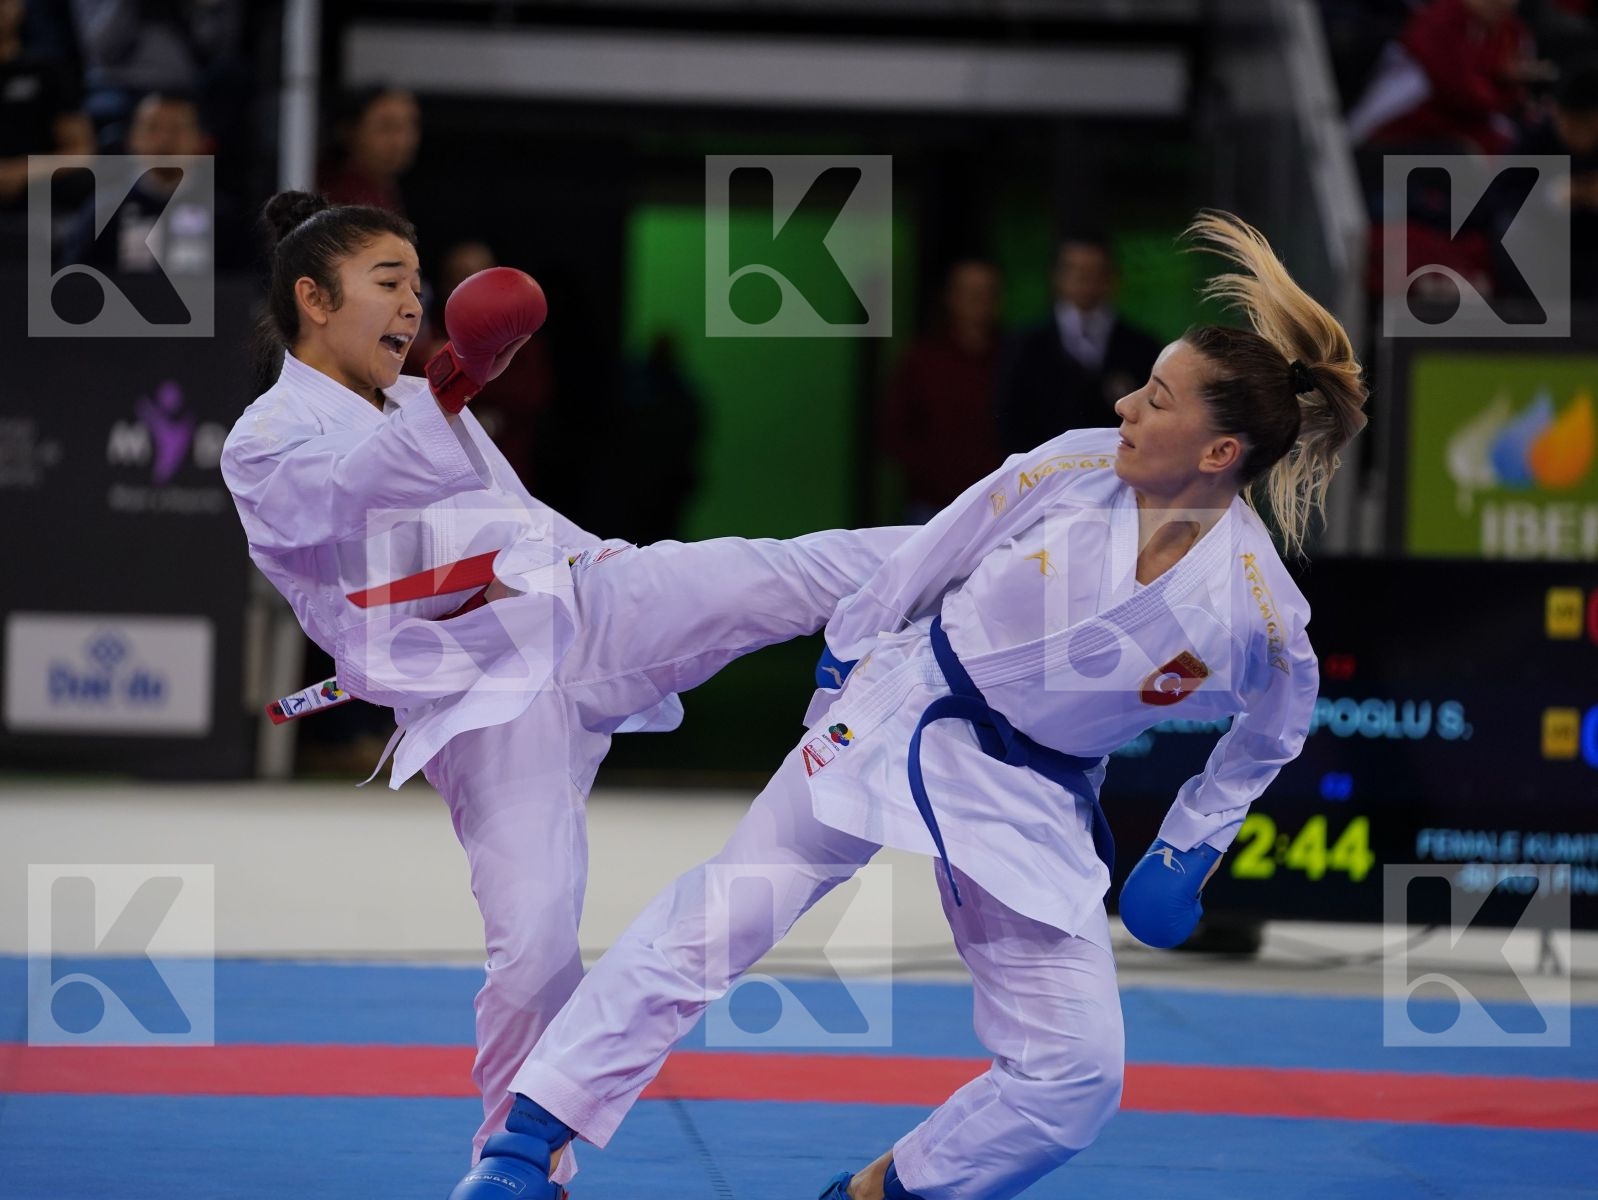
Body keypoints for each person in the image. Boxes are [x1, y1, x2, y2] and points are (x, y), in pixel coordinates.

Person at [450, 211, 1368, 1200]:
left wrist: (1190, 843)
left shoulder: (1256, 610)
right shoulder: (1072, 466)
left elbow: (1273, 728)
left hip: (1034, 798)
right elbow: (934, 550)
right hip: (908, 702)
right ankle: (519, 1150)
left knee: (1076, 1078)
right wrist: (846, 655)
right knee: (722, 913)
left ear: (1219, 450)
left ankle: (882, 1194)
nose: (1123, 405)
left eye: (1153, 397)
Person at [219, 191, 908, 1176]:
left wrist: (602, 558)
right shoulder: (264, 441)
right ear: (313, 300)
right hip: (482, 701)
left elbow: (515, 513)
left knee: (784, 569)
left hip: (581, 612)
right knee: (535, 946)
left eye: (420, 287)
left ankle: (1024, 543)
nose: (414, 307)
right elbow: (343, 498)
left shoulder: (423, 399)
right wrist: (455, 388)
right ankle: (513, 1167)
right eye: (389, 284)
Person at [996, 234, 1161, 454]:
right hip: (1043, 474)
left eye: (1095, 272)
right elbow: (1009, 420)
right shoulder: (1025, 345)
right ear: (1057, 276)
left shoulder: (1143, 347)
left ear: (1112, 277)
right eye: (1076, 271)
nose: (1085, 281)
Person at [881, 258, 1005, 522]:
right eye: (970, 293)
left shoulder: (1014, 356)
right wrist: (934, 472)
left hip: (1001, 504)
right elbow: (894, 431)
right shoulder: (923, 358)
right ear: (951, 297)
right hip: (932, 505)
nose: (978, 301)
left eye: (986, 293)